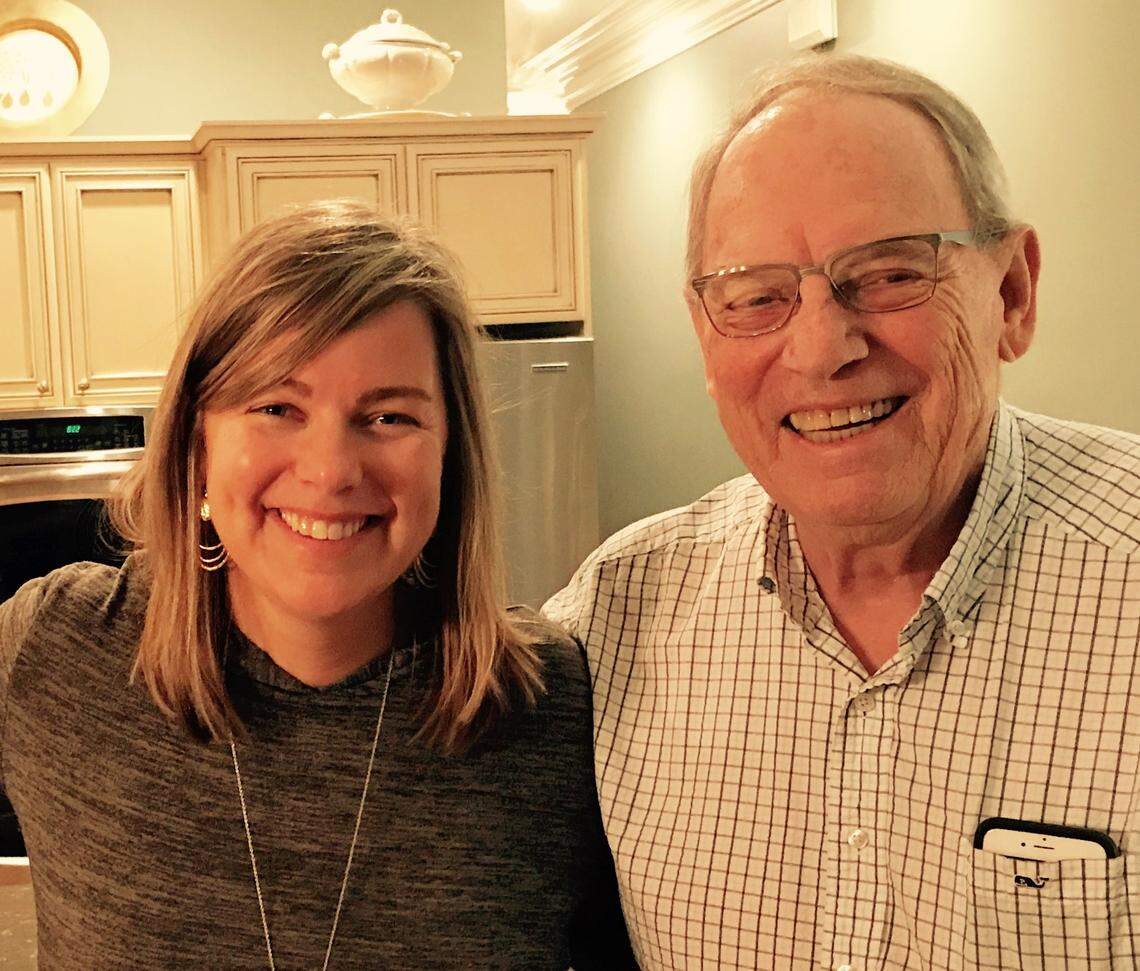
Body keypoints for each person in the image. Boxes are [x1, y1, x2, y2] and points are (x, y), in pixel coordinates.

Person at [545, 54, 1139, 970]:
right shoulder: (617, 615)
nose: (822, 348)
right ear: (706, 336)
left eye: (891, 273)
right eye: (757, 298)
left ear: (1012, 293)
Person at [0, 201, 636, 969]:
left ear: (450, 455)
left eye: (389, 417)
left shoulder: (550, 705)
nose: (331, 471)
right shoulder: (57, 650)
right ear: (198, 443)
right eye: (277, 407)